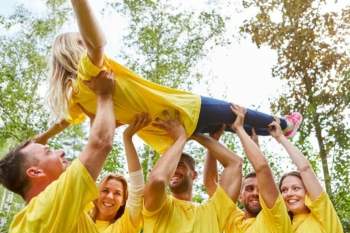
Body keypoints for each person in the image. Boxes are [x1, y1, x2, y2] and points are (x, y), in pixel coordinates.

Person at [34, 0, 303, 154]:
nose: (86, 45)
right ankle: (282, 124)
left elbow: (65, 122)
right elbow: (98, 44)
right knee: (236, 112)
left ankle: (272, 131)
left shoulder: (77, 98)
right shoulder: (89, 73)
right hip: (183, 108)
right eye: (81, 42)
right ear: (74, 51)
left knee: (234, 125)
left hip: (170, 131)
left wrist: (44, 138)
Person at [0, 71, 116, 233]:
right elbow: (100, 143)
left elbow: (95, 150)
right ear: (35, 172)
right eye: (49, 152)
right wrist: (104, 94)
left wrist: (97, 116)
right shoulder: (48, 209)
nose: (61, 152)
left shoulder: (55, 212)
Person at [141, 109, 242, 233]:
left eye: (180, 165)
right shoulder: (160, 206)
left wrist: (197, 135)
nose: (174, 169)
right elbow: (157, 180)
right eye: (172, 166)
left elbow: (235, 163)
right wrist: (180, 138)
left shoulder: (212, 211)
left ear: (194, 175)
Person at [204, 104, 293, 233]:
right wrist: (213, 140)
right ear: (240, 195)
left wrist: (239, 129)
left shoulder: (275, 219)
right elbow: (210, 182)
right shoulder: (233, 220)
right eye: (249, 189)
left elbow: (262, 168)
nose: (255, 193)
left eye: (259, 189)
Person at [270, 119, 344, 233]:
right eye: (284, 190)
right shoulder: (283, 228)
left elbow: (305, 169)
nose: (289, 194)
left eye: (296, 188)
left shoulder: (324, 218)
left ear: (308, 193)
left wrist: (280, 137)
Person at [88, 113, 150, 233]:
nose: (110, 196)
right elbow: (84, 173)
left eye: (117, 193)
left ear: (123, 201)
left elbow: (138, 188)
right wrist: (96, 124)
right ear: (95, 194)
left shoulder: (125, 227)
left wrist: (127, 137)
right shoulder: (81, 222)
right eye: (105, 190)